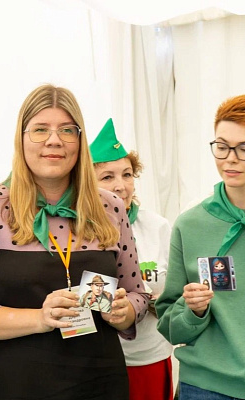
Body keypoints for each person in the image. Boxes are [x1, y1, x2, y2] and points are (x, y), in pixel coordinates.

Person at [0, 84, 148, 400]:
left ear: (79, 141)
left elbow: (137, 294)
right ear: (21, 139)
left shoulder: (110, 207)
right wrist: (40, 318)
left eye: (67, 130)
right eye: (40, 129)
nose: (54, 140)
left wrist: (125, 312)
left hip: (100, 384)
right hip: (16, 386)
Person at [155, 94, 245, 399]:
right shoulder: (190, 225)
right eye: (222, 146)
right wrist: (193, 310)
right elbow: (169, 326)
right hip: (206, 387)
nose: (230, 158)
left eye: (244, 148)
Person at [90, 118, 174, 400]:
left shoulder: (158, 226)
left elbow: (175, 292)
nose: (120, 186)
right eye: (107, 177)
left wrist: (162, 301)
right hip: (98, 361)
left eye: (127, 175)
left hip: (150, 356)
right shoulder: (80, 232)